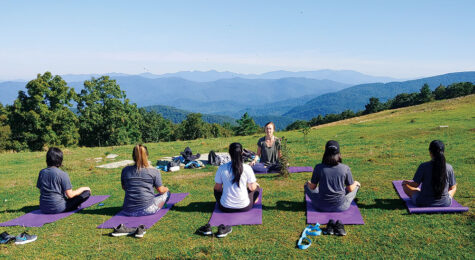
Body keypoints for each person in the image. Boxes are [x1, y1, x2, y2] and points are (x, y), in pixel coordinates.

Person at [304, 140, 360, 212]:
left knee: (306, 185)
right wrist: (356, 183)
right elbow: (350, 189)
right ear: (339, 153)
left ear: (325, 153)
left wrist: (308, 183)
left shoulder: (318, 167)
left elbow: (312, 187)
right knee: (356, 186)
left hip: (321, 206)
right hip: (341, 206)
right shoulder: (345, 168)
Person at [402, 140, 457, 207]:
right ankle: (444, 198)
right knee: (454, 187)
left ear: (430, 152)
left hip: (422, 202)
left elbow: (415, 184)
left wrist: (406, 183)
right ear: (443, 152)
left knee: (405, 185)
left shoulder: (423, 166)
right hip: (445, 203)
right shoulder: (449, 167)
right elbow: (452, 187)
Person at [37, 147, 91, 214]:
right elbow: (70, 195)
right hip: (59, 208)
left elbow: (41, 190)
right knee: (87, 192)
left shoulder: (42, 172)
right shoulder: (62, 174)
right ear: (59, 160)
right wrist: (83, 188)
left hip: (43, 208)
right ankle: (74, 206)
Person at [121, 144, 170, 216]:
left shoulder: (125, 170)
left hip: (127, 210)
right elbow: (161, 190)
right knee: (167, 193)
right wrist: (167, 189)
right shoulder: (154, 171)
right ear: (147, 155)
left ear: (133, 156)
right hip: (147, 210)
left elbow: (124, 187)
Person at [214, 143, 260, 213]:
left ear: (229, 153)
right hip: (244, 207)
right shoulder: (247, 168)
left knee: (216, 190)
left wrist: (225, 192)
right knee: (257, 188)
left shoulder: (221, 168)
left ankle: (225, 200)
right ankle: (254, 200)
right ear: (241, 152)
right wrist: (256, 185)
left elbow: (218, 189)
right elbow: (252, 188)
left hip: (225, 207)